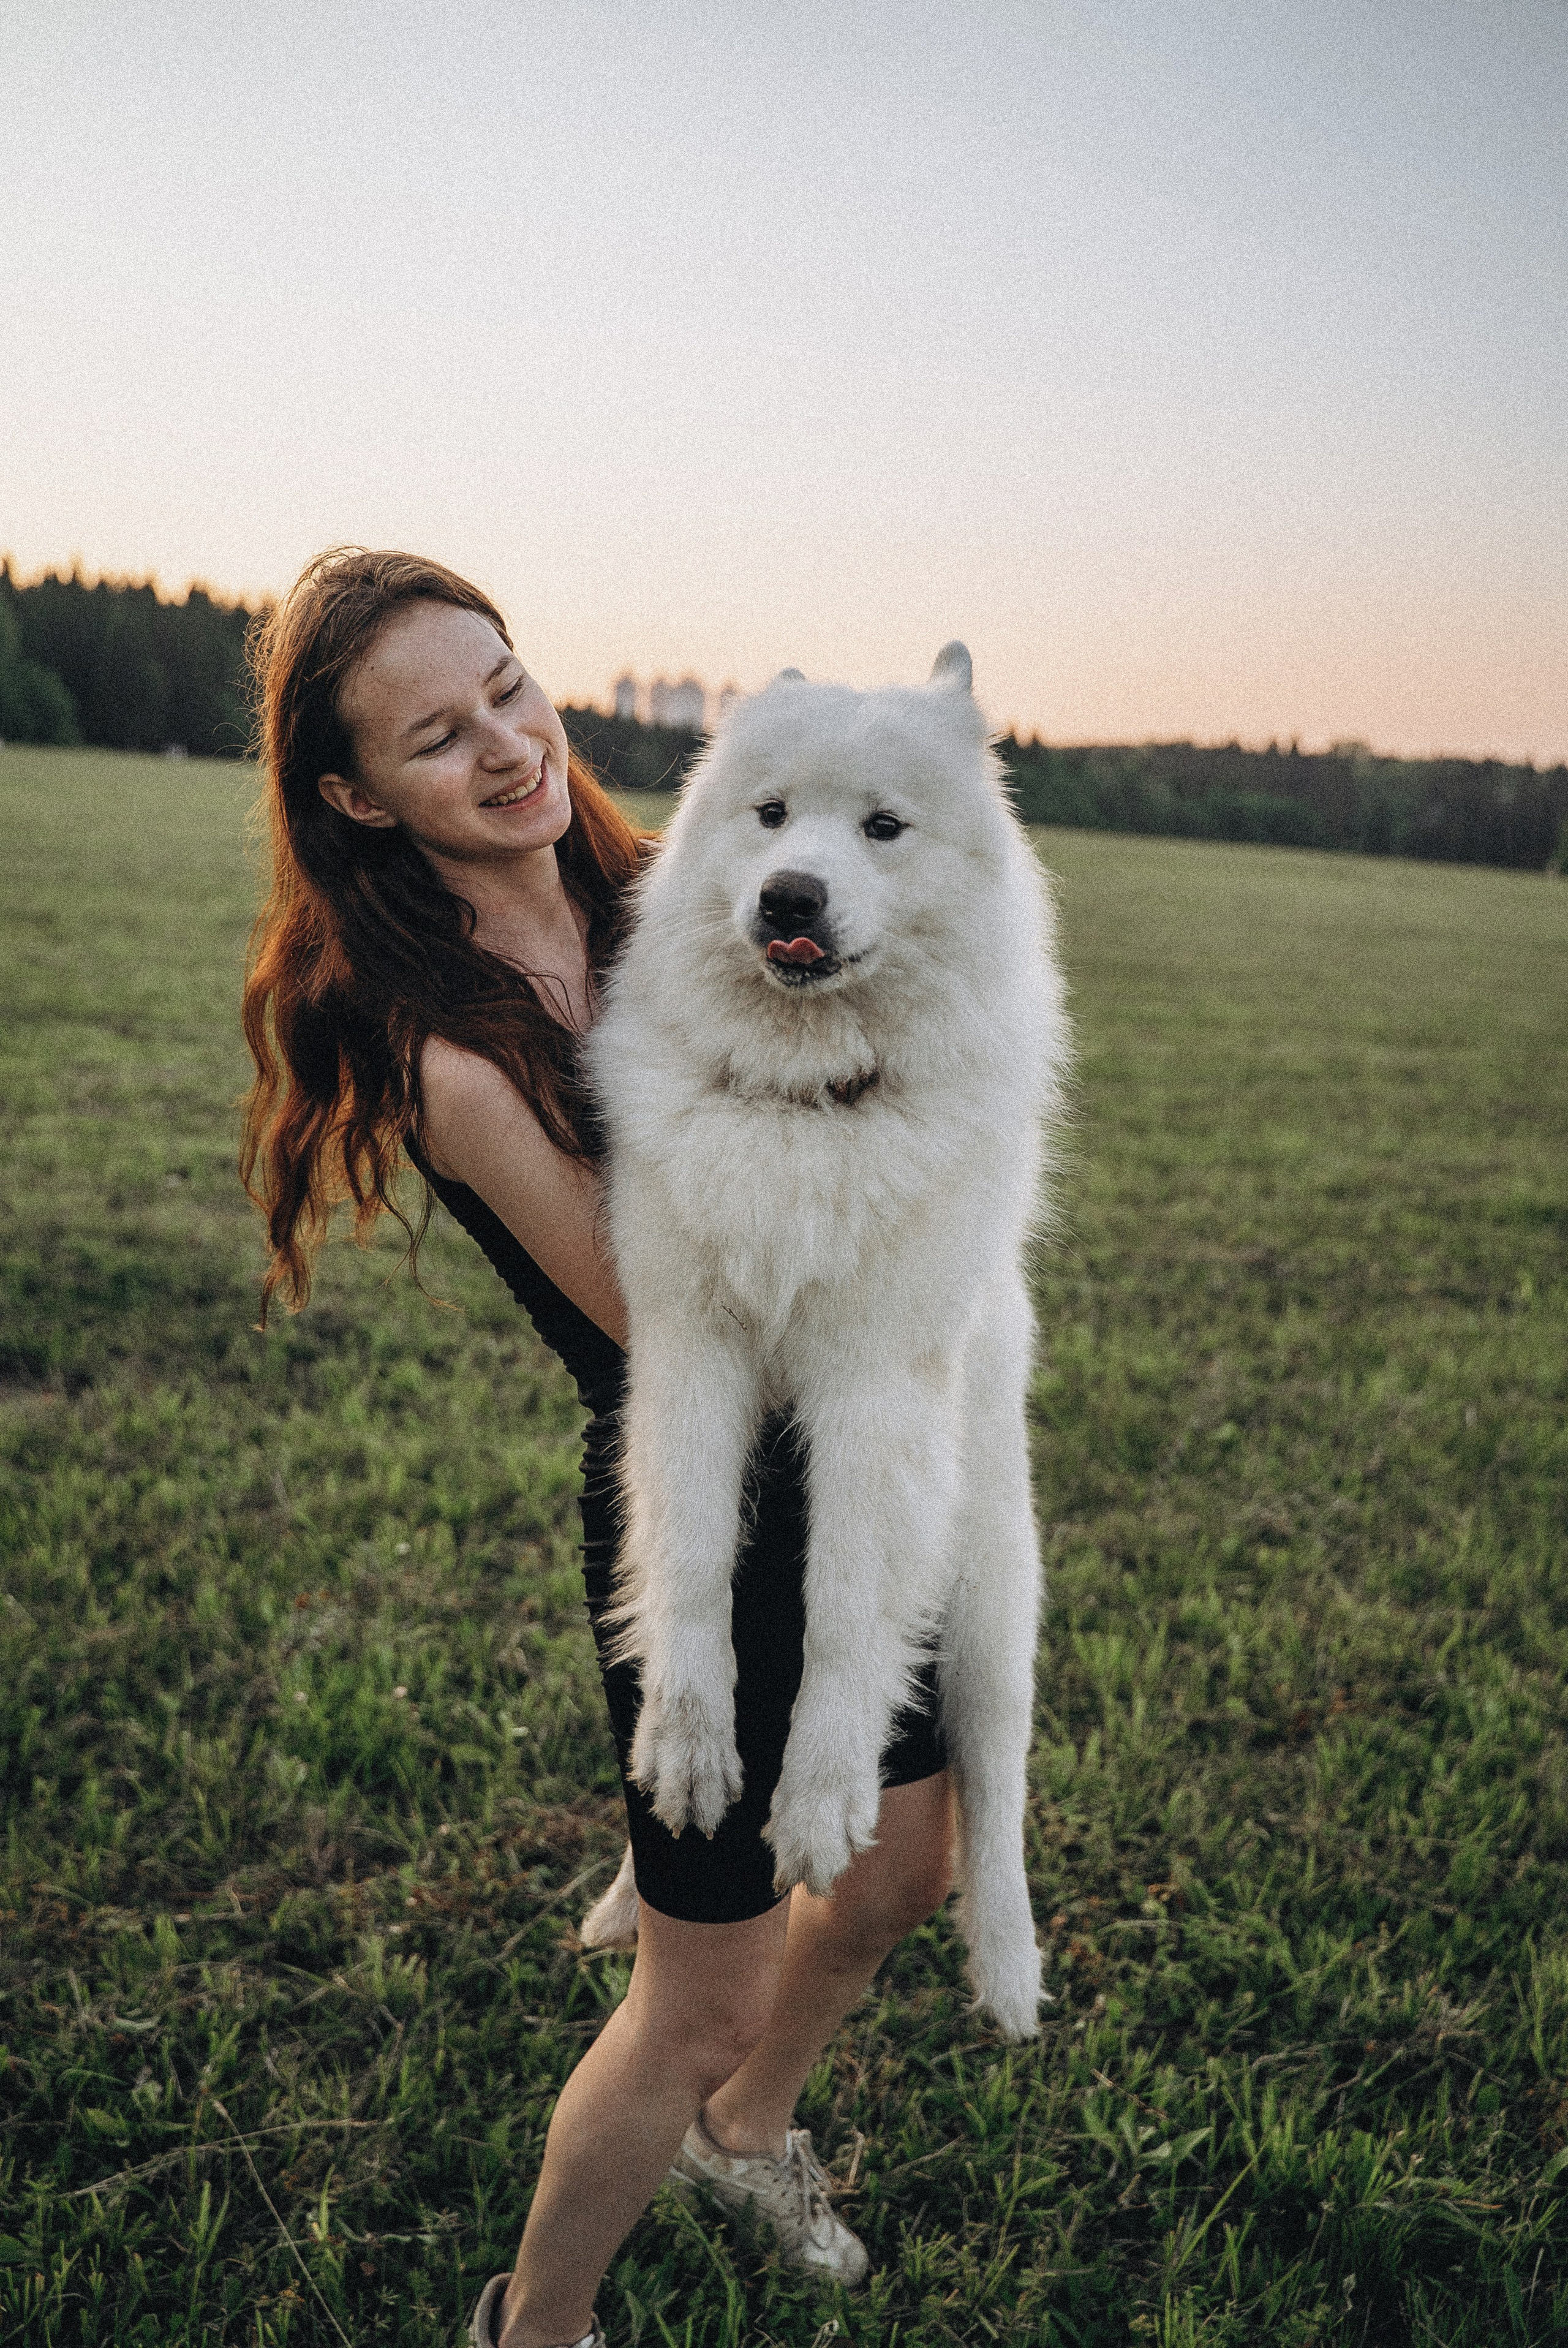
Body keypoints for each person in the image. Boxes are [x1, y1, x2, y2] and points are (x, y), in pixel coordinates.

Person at [241, 549, 956, 2348]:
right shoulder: (447, 1053)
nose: (508, 746)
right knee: (699, 2002)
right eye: (436, 737)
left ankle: (748, 2138)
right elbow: (666, 1317)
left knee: (898, 1871)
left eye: (508, 686)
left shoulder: (693, 892)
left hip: (867, 1459)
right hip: (706, 1503)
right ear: (356, 798)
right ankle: (536, 2325)